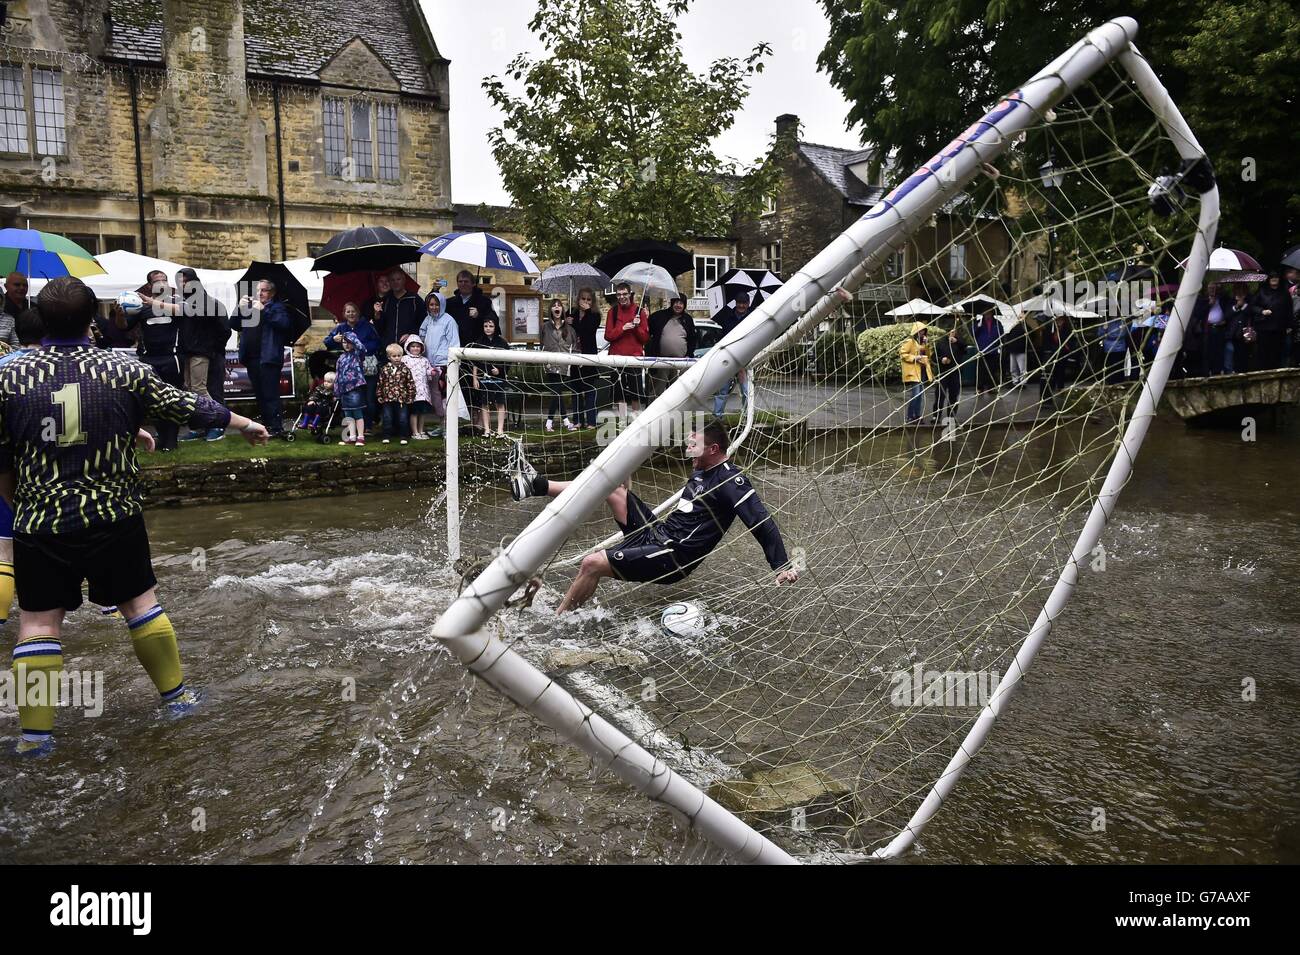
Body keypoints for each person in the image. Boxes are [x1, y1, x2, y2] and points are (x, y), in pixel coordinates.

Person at [0, 277, 269, 756]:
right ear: (91, 320)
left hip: (40, 521)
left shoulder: (10, 376)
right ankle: (178, 699)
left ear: (40, 319)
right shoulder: (121, 368)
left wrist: (18, 502)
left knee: (37, 625)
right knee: (141, 606)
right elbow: (187, 404)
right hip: (112, 515)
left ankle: (34, 738)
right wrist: (244, 423)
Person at [510, 420, 798, 613]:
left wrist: (780, 564)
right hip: (658, 533)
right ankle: (535, 486)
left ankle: (557, 622)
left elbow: (761, 521)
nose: (688, 450)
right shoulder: (701, 468)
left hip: (674, 555)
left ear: (714, 449)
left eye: (693, 446)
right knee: (613, 489)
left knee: (592, 563)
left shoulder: (731, 482)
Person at [0, 307, 46, 631]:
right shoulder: (56, 368)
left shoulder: (4, 366)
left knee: (3, 545)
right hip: (37, 467)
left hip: (6, 460)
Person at [144, 269, 229, 442]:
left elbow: (222, 329)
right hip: (188, 352)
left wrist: (152, 302)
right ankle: (199, 426)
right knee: (190, 391)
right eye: (179, 282)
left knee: (200, 389)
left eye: (184, 281)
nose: (181, 285)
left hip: (202, 352)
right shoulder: (187, 300)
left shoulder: (202, 300)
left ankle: (217, 424)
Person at [127, 270, 186, 451]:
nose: (161, 283)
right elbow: (124, 326)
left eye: (164, 280)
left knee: (173, 398)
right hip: (149, 359)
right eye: (157, 281)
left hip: (172, 358)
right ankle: (162, 436)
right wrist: (120, 314)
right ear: (150, 285)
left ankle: (171, 440)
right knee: (152, 400)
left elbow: (185, 311)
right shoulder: (141, 307)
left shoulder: (176, 302)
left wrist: (153, 302)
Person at [230, 278, 294, 438]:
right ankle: (265, 426)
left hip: (268, 357)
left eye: (263, 290)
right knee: (259, 393)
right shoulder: (251, 307)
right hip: (251, 357)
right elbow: (234, 324)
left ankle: (276, 427)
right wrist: (239, 308)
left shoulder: (277, 307)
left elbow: (284, 324)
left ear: (272, 292)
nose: (259, 293)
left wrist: (264, 310)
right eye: (258, 290)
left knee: (270, 394)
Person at [325, 301, 382, 429]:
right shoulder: (341, 328)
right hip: (350, 372)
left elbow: (377, 343)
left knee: (369, 399)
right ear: (344, 314)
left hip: (366, 368)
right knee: (351, 400)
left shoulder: (367, 326)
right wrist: (333, 340)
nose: (351, 314)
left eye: (353, 311)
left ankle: (367, 426)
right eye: (348, 311)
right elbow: (327, 342)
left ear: (358, 313)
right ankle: (352, 428)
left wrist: (360, 347)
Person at [605, 281, 649, 420]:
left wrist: (636, 327)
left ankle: (636, 421)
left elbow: (645, 338)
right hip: (616, 357)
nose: (622, 297)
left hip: (634, 358)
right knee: (620, 393)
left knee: (636, 392)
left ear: (630, 294)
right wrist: (622, 328)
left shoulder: (639, 312)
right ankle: (623, 421)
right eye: (619, 294)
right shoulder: (613, 312)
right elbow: (608, 335)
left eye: (624, 294)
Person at [419, 290, 456, 438]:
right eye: (431, 304)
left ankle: (448, 426)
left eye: (436, 304)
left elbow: (454, 342)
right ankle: (442, 424)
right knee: (435, 398)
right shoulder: (428, 320)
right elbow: (422, 335)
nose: (434, 307)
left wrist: (450, 362)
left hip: (444, 364)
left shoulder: (449, 320)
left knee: (444, 397)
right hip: (430, 364)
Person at [647, 295, 698, 397]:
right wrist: (645, 315)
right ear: (672, 303)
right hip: (661, 362)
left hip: (680, 363)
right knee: (657, 392)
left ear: (684, 305)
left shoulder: (687, 319)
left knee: (678, 394)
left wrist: (689, 354)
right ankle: (655, 413)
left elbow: (693, 339)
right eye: (676, 302)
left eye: (681, 303)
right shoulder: (659, 316)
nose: (678, 305)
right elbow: (648, 331)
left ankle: (676, 413)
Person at [540, 298, 578, 432]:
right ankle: (558, 422)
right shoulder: (545, 326)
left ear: (562, 309)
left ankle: (556, 421)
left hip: (563, 365)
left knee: (557, 392)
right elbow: (542, 343)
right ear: (551, 309)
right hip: (550, 364)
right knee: (557, 391)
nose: (557, 307)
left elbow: (575, 346)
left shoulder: (570, 329)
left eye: (559, 305)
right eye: (554, 306)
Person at [469, 315, 511, 437]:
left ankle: (500, 430)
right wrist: (474, 378)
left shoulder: (502, 342)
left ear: (496, 326)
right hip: (484, 378)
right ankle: (487, 429)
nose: (488, 328)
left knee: (500, 403)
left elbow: (508, 361)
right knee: (484, 404)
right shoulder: (479, 342)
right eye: (485, 326)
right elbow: (474, 362)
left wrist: (500, 370)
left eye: (491, 326)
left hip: (499, 379)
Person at [568, 287, 603, 429]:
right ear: (578, 299)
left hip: (588, 355)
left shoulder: (595, 315)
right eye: (583, 298)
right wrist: (567, 320)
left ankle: (591, 421)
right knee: (575, 390)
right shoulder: (573, 313)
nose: (585, 302)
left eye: (589, 299)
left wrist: (586, 312)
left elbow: (587, 329)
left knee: (589, 389)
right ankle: (577, 420)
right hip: (574, 354)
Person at [712, 294, 751, 416]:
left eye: (744, 303)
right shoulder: (727, 317)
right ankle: (717, 416)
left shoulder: (752, 318)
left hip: (744, 360)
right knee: (722, 390)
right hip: (727, 358)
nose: (741, 305)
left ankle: (746, 416)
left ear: (748, 304)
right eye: (739, 302)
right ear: (735, 303)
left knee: (746, 390)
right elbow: (722, 338)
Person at [1251, 272, 1293, 371]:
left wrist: (1290, 325)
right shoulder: (1261, 291)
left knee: (1277, 354)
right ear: (1268, 279)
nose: (1274, 279)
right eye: (1272, 277)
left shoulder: (1284, 292)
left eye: (1276, 277)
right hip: (1264, 328)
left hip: (1279, 328)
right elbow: (1252, 306)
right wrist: (1262, 311)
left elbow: (1289, 309)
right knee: (1263, 354)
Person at [445, 270, 499, 347]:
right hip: (455, 344)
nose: (463, 284)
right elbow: (435, 312)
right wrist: (435, 291)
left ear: (473, 284)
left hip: (477, 345)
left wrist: (479, 315)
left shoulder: (484, 301)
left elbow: (493, 321)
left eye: (466, 281)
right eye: (460, 281)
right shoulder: (450, 303)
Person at [334, 331, 368, 447]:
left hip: (355, 388)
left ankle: (361, 437)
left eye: (349, 342)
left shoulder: (358, 354)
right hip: (344, 390)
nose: (346, 345)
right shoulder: (341, 358)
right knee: (348, 414)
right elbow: (337, 375)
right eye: (344, 342)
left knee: (357, 413)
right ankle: (352, 436)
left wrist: (350, 337)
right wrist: (336, 391)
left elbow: (362, 348)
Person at [378, 267, 423, 354]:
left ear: (404, 280)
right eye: (392, 280)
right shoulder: (386, 300)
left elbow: (423, 322)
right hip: (389, 349)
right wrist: (377, 316)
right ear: (390, 282)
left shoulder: (414, 299)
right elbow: (381, 327)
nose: (396, 282)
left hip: (409, 348)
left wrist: (411, 334)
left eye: (398, 279)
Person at [376, 343, 415, 444]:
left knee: (403, 418)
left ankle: (404, 436)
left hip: (402, 398)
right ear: (389, 357)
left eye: (399, 356)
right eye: (394, 356)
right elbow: (380, 383)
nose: (397, 358)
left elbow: (410, 383)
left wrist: (411, 396)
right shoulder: (384, 369)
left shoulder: (405, 369)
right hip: (387, 399)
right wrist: (379, 395)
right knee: (387, 418)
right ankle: (386, 436)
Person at [400, 333, 436, 440]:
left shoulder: (424, 360)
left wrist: (432, 372)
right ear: (408, 347)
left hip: (424, 392)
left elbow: (428, 371)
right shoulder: (404, 359)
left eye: (418, 346)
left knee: (423, 412)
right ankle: (415, 432)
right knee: (414, 412)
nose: (415, 348)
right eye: (413, 346)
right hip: (412, 392)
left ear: (421, 347)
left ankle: (421, 430)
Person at [1188, 283, 1228, 376]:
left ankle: (1217, 370)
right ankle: (1206, 371)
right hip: (1207, 329)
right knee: (1207, 351)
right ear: (1207, 289)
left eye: (1214, 288)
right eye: (1210, 288)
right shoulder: (1203, 299)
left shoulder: (1222, 299)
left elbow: (1227, 311)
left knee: (1218, 350)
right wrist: (1209, 304)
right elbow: (1198, 314)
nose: (1212, 290)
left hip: (1219, 328)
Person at [899, 321, 933, 424]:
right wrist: (915, 358)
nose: (922, 332)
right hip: (914, 371)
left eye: (923, 330)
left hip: (922, 370)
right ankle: (910, 416)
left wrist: (926, 345)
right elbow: (902, 354)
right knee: (916, 394)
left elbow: (929, 354)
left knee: (920, 395)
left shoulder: (923, 343)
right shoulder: (910, 341)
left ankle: (917, 416)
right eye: (920, 330)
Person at [932, 323, 966, 421]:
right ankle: (936, 416)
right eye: (951, 332)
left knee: (953, 395)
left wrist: (957, 341)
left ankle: (951, 416)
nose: (953, 334)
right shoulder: (941, 343)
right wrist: (941, 359)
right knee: (940, 395)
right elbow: (934, 357)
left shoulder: (959, 342)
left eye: (954, 332)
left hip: (955, 372)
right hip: (943, 372)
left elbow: (965, 348)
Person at [1226, 285, 1258, 374]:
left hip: (1245, 334)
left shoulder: (1251, 300)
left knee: (1245, 356)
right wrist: (1236, 306)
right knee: (1233, 357)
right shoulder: (1231, 301)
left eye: (1242, 291)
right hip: (1234, 334)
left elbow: (1251, 312)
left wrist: (1243, 305)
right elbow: (1227, 315)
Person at [971, 307, 1002, 396]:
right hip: (982, 350)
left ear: (992, 313)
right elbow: (973, 334)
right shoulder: (978, 323)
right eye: (985, 312)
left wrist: (999, 346)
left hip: (993, 350)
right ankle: (980, 388)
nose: (987, 314)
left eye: (989, 312)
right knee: (981, 370)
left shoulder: (997, 323)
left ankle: (991, 387)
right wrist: (978, 326)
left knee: (992, 369)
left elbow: (1001, 333)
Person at [300, 372, 336, 442]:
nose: (326, 383)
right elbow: (315, 395)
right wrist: (312, 400)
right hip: (317, 405)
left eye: (329, 382)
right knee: (309, 406)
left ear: (334, 383)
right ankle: (305, 423)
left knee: (321, 408)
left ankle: (314, 424)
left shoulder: (334, 391)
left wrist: (334, 398)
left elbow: (334, 399)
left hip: (326, 408)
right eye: (325, 381)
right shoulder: (320, 388)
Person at [1, 272, 28, 345]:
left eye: (25, 285)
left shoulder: (33, 307)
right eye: (17, 285)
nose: (22, 288)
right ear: (6, 286)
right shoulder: (2, 308)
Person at [1003, 313, 1029, 387]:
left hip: (1021, 350)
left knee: (1022, 368)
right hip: (1013, 350)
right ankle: (1015, 380)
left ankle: (1022, 382)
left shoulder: (1024, 327)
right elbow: (1007, 337)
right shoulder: (1012, 327)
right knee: (1013, 368)